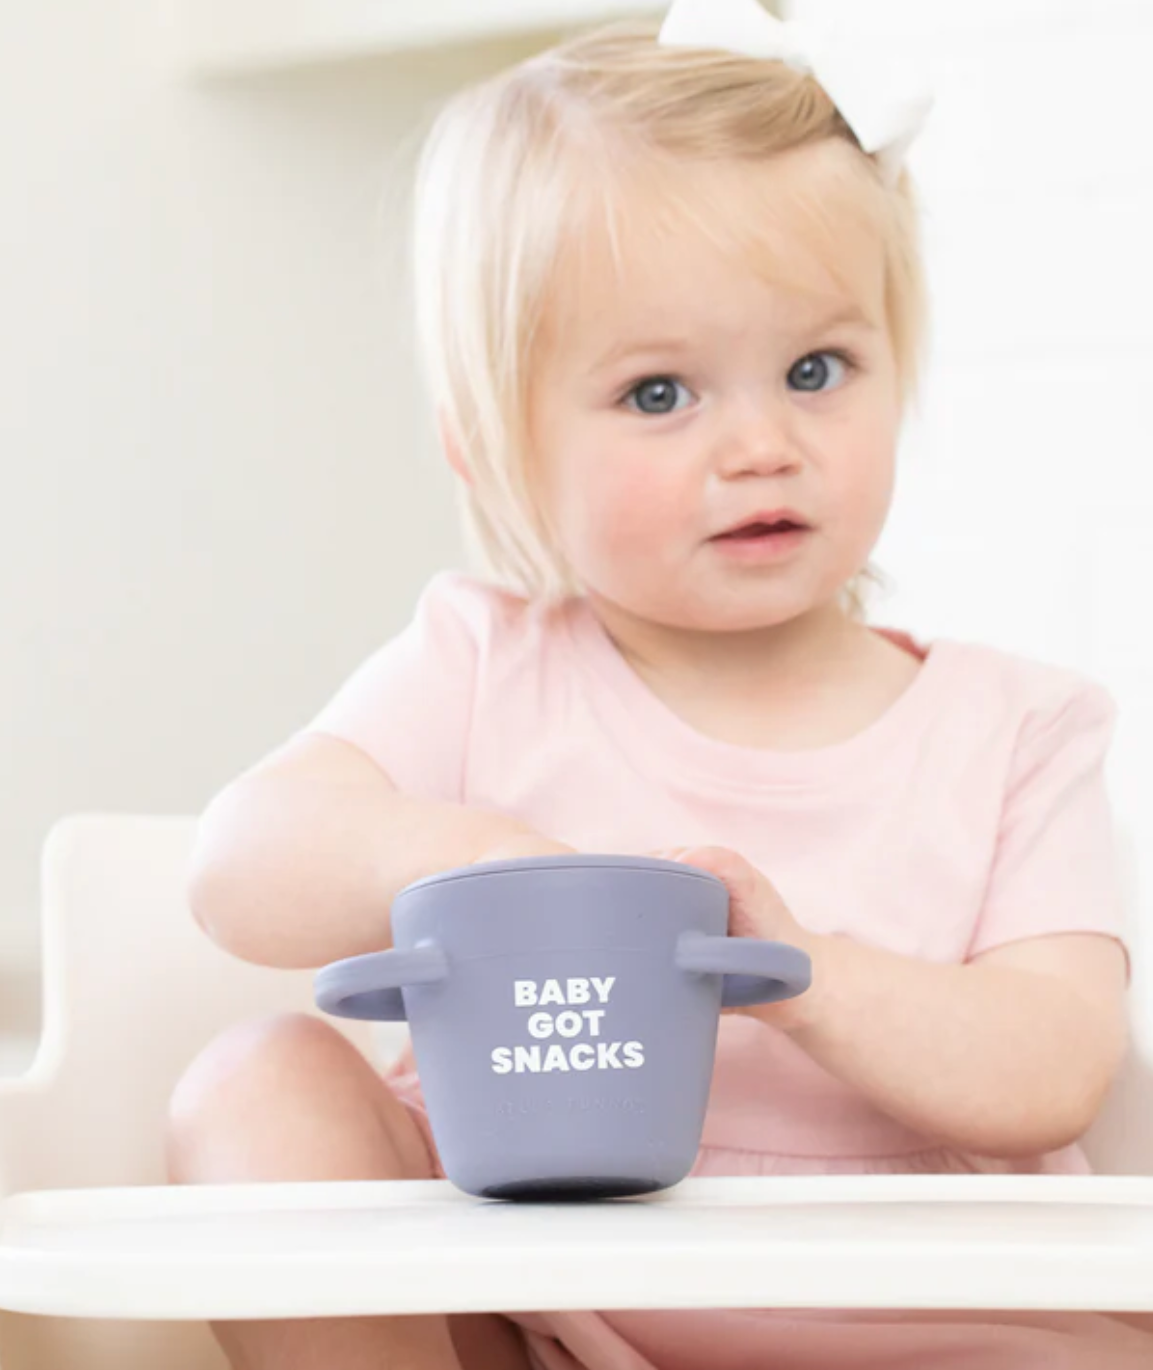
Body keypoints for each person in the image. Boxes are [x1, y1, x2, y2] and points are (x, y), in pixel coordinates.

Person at [167, 2, 1148, 1366]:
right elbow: (238, 864)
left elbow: (1054, 1068)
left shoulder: (1020, 726)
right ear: (492, 446)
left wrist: (795, 969)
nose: (761, 444)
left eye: (817, 369)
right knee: (253, 1081)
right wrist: (492, 855)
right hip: (554, 1307)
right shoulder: (483, 662)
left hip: (933, 1327)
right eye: (658, 394)